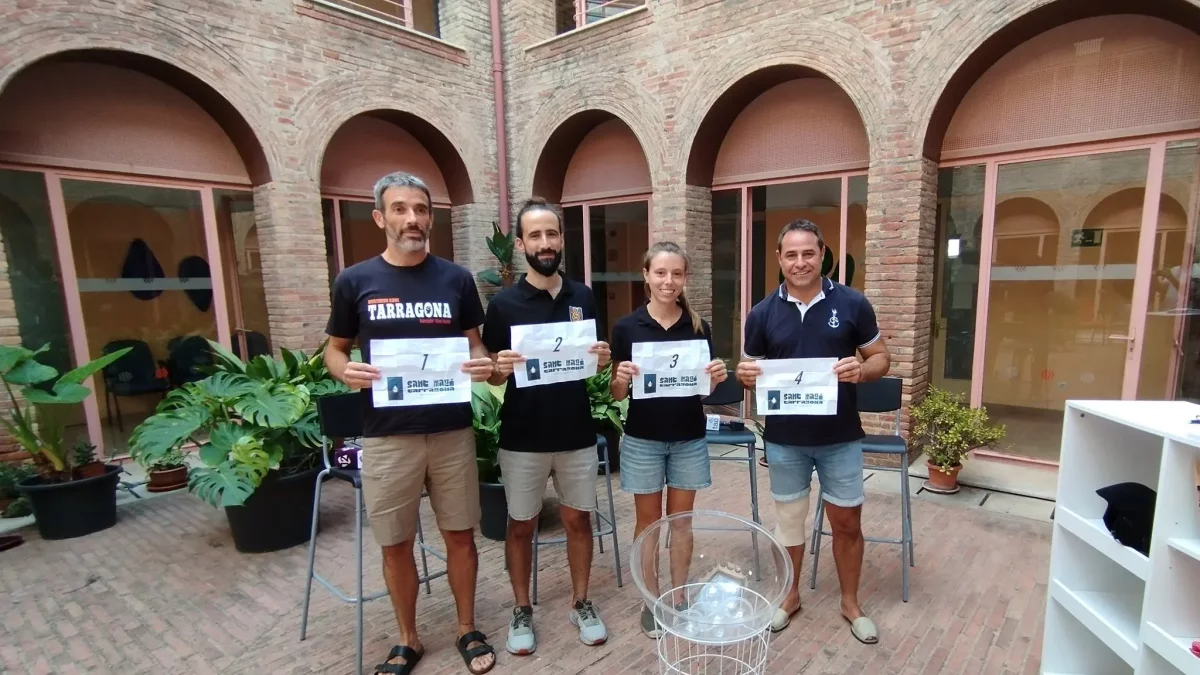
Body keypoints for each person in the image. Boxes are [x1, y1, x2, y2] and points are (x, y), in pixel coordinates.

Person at [324, 171, 498, 675]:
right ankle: (407, 639)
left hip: (450, 431)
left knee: (460, 535)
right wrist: (346, 370)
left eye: (420, 209)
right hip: (386, 436)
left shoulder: (456, 279)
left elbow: (472, 342)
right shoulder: (354, 281)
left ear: (431, 218)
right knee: (395, 541)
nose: (412, 218)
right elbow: (334, 351)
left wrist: (482, 361)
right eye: (400, 209)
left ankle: (466, 627)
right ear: (381, 217)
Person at [735, 219, 890, 645]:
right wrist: (744, 374)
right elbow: (748, 367)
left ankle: (851, 603)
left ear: (822, 254)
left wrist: (862, 369)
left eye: (808, 253)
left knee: (847, 523)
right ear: (780, 259)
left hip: (840, 437)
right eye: (791, 254)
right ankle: (789, 597)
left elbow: (881, 358)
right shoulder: (762, 313)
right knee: (788, 523)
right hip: (784, 440)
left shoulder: (854, 304)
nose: (800, 262)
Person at [482, 197, 613, 656]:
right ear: (520, 244)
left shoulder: (583, 297)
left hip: (575, 430)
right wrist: (497, 366)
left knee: (580, 521)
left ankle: (581, 600)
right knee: (521, 525)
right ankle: (522, 608)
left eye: (551, 234)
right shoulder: (502, 305)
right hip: (523, 435)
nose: (545, 243)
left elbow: (592, 365)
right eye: (534, 235)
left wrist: (602, 359)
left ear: (561, 239)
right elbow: (494, 373)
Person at [609, 241, 728, 638]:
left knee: (681, 522)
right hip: (643, 440)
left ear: (684, 278)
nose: (668, 281)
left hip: (688, 439)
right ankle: (651, 599)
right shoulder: (627, 327)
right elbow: (617, 394)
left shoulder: (697, 326)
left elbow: (703, 390)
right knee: (648, 523)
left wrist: (715, 377)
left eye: (676, 274)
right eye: (660, 273)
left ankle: (678, 597)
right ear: (646, 275)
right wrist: (620, 379)